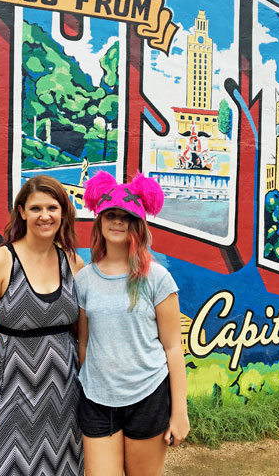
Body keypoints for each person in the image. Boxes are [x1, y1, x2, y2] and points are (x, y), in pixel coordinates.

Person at [0, 175, 85, 476]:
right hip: (9, 396)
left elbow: (84, 336)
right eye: (36, 208)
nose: (45, 215)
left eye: (53, 207)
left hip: (65, 400)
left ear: (63, 212)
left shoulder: (72, 263)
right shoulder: (0, 262)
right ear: (22, 211)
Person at [75, 171, 190, 476]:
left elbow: (173, 347)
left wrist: (180, 413)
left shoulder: (157, 278)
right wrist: (85, 384)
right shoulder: (84, 280)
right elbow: (83, 342)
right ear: (99, 220)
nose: (117, 221)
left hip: (148, 395)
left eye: (125, 216)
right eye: (110, 214)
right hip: (97, 400)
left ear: (137, 224)